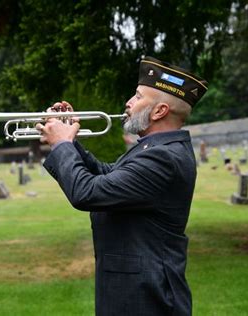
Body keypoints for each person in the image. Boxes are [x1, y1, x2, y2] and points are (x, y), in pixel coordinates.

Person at [37, 56, 208, 316]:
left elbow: (87, 193)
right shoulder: (155, 149)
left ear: (159, 111)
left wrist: (61, 144)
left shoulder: (163, 158)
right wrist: (68, 139)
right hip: (133, 290)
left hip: (147, 297)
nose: (128, 102)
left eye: (138, 97)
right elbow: (109, 176)